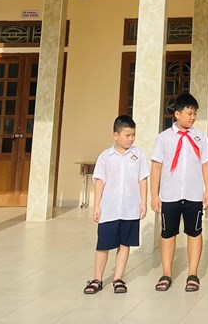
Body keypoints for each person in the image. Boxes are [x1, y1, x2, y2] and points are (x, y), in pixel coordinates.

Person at [150, 93, 208, 293]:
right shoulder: (164, 138)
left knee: (194, 232)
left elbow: (206, 164)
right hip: (170, 194)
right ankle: (166, 273)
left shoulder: (200, 136)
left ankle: (193, 273)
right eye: (189, 113)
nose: (193, 117)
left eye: (195, 114)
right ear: (177, 114)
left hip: (193, 194)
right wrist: (154, 194)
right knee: (168, 233)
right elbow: (156, 166)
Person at [84, 114, 149, 295]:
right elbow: (100, 182)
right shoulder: (105, 156)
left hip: (130, 208)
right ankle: (97, 279)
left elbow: (142, 179)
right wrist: (97, 205)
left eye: (133, 135)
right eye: (127, 135)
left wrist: (143, 202)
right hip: (109, 209)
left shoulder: (138, 154)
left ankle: (118, 278)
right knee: (103, 245)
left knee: (125, 244)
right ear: (115, 135)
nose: (131, 139)